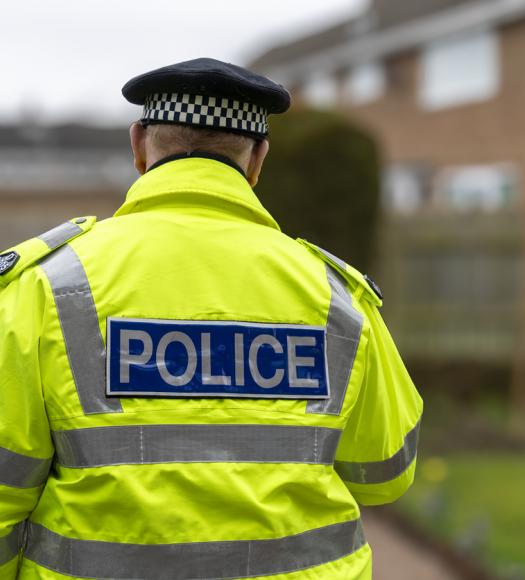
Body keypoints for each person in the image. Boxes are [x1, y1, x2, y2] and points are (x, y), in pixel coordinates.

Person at [0, 58, 423, 579]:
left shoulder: (49, 285)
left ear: (138, 145)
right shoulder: (335, 295)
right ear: (257, 160)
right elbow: (386, 472)